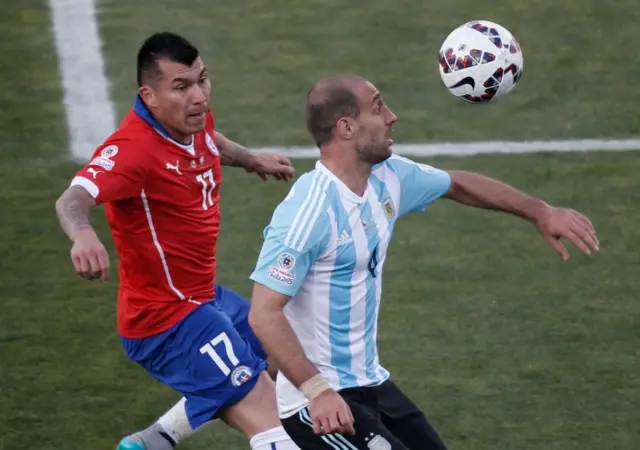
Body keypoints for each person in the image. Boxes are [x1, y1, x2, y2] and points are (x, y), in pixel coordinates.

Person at [243, 75, 600, 449]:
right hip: (317, 401)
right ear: (346, 128)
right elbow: (264, 314)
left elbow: (456, 184)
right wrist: (318, 392)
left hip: (371, 383)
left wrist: (539, 212)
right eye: (379, 107)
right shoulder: (308, 214)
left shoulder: (388, 177)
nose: (393, 117)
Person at [54, 32, 301, 450]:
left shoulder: (191, 117)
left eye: (202, 80)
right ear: (149, 96)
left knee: (288, 357)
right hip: (164, 320)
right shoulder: (132, 150)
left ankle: (156, 440)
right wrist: (82, 235)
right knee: (267, 413)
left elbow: (208, 140)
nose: (199, 97)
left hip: (203, 297)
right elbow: (72, 200)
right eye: (182, 87)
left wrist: (249, 158)